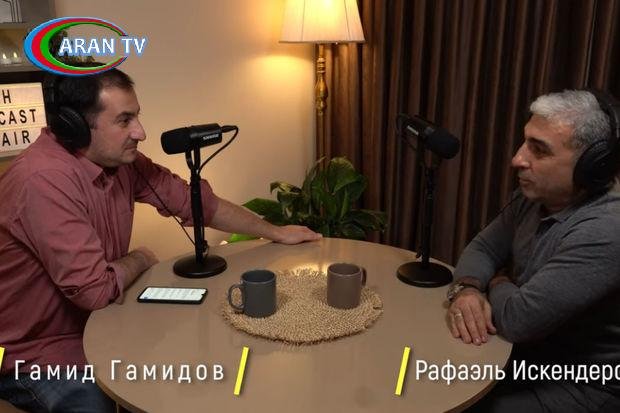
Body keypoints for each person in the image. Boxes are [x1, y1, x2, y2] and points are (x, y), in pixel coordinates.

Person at [0, 68, 321, 412]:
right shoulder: (43, 180)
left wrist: (276, 232)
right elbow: (95, 290)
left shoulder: (122, 161)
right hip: (32, 353)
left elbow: (199, 204)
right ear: (74, 126)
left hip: (101, 324)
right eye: (124, 120)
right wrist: (141, 257)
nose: (140, 132)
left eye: (137, 116)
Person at [445, 89, 620, 412]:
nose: (517, 159)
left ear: (591, 166)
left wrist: (496, 281)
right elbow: (483, 247)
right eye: (525, 142)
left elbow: (517, 319)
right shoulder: (532, 197)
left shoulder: (607, 229)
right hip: (523, 357)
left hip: (580, 385)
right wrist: (467, 289)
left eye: (539, 150)